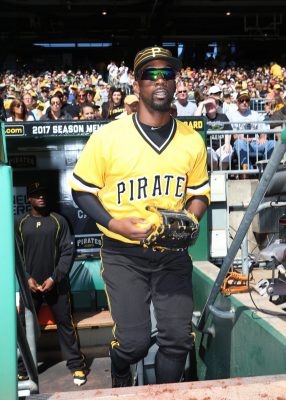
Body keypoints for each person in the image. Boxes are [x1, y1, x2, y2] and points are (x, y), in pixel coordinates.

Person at [70, 46, 210, 387]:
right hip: (123, 253)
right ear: (136, 85)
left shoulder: (192, 141)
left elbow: (198, 194)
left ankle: (162, 395)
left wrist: (191, 219)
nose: (160, 81)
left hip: (171, 255)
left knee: (178, 340)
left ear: (176, 83)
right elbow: (81, 190)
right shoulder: (108, 137)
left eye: (167, 74)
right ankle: (120, 371)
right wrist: (112, 222)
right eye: (151, 74)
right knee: (132, 344)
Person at [15, 182, 87, 386]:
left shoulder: (59, 221)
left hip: (56, 284)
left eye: (43, 194)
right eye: (36, 194)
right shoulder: (19, 223)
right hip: (30, 286)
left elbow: (67, 252)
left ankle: (77, 366)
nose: (41, 198)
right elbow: (15, 254)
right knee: (24, 326)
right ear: (28, 199)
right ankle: (22, 369)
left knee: (65, 325)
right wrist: (26, 277)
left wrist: (55, 277)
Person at [228, 90, 275, 169]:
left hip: (255, 143)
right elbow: (233, 136)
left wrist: (263, 137)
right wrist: (243, 139)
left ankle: (265, 168)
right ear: (237, 102)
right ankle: (249, 171)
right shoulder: (232, 116)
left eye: (247, 100)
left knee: (273, 143)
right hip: (242, 144)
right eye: (241, 100)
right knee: (240, 143)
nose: (244, 102)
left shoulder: (255, 114)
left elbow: (263, 129)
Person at [195, 96, 233, 170]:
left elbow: (228, 131)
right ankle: (215, 173)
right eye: (208, 105)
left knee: (227, 153)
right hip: (209, 146)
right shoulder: (203, 118)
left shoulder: (223, 116)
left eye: (212, 104)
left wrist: (227, 143)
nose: (210, 106)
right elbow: (196, 119)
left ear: (216, 106)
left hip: (222, 145)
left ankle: (222, 173)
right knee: (209, 153)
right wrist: (202, 103)